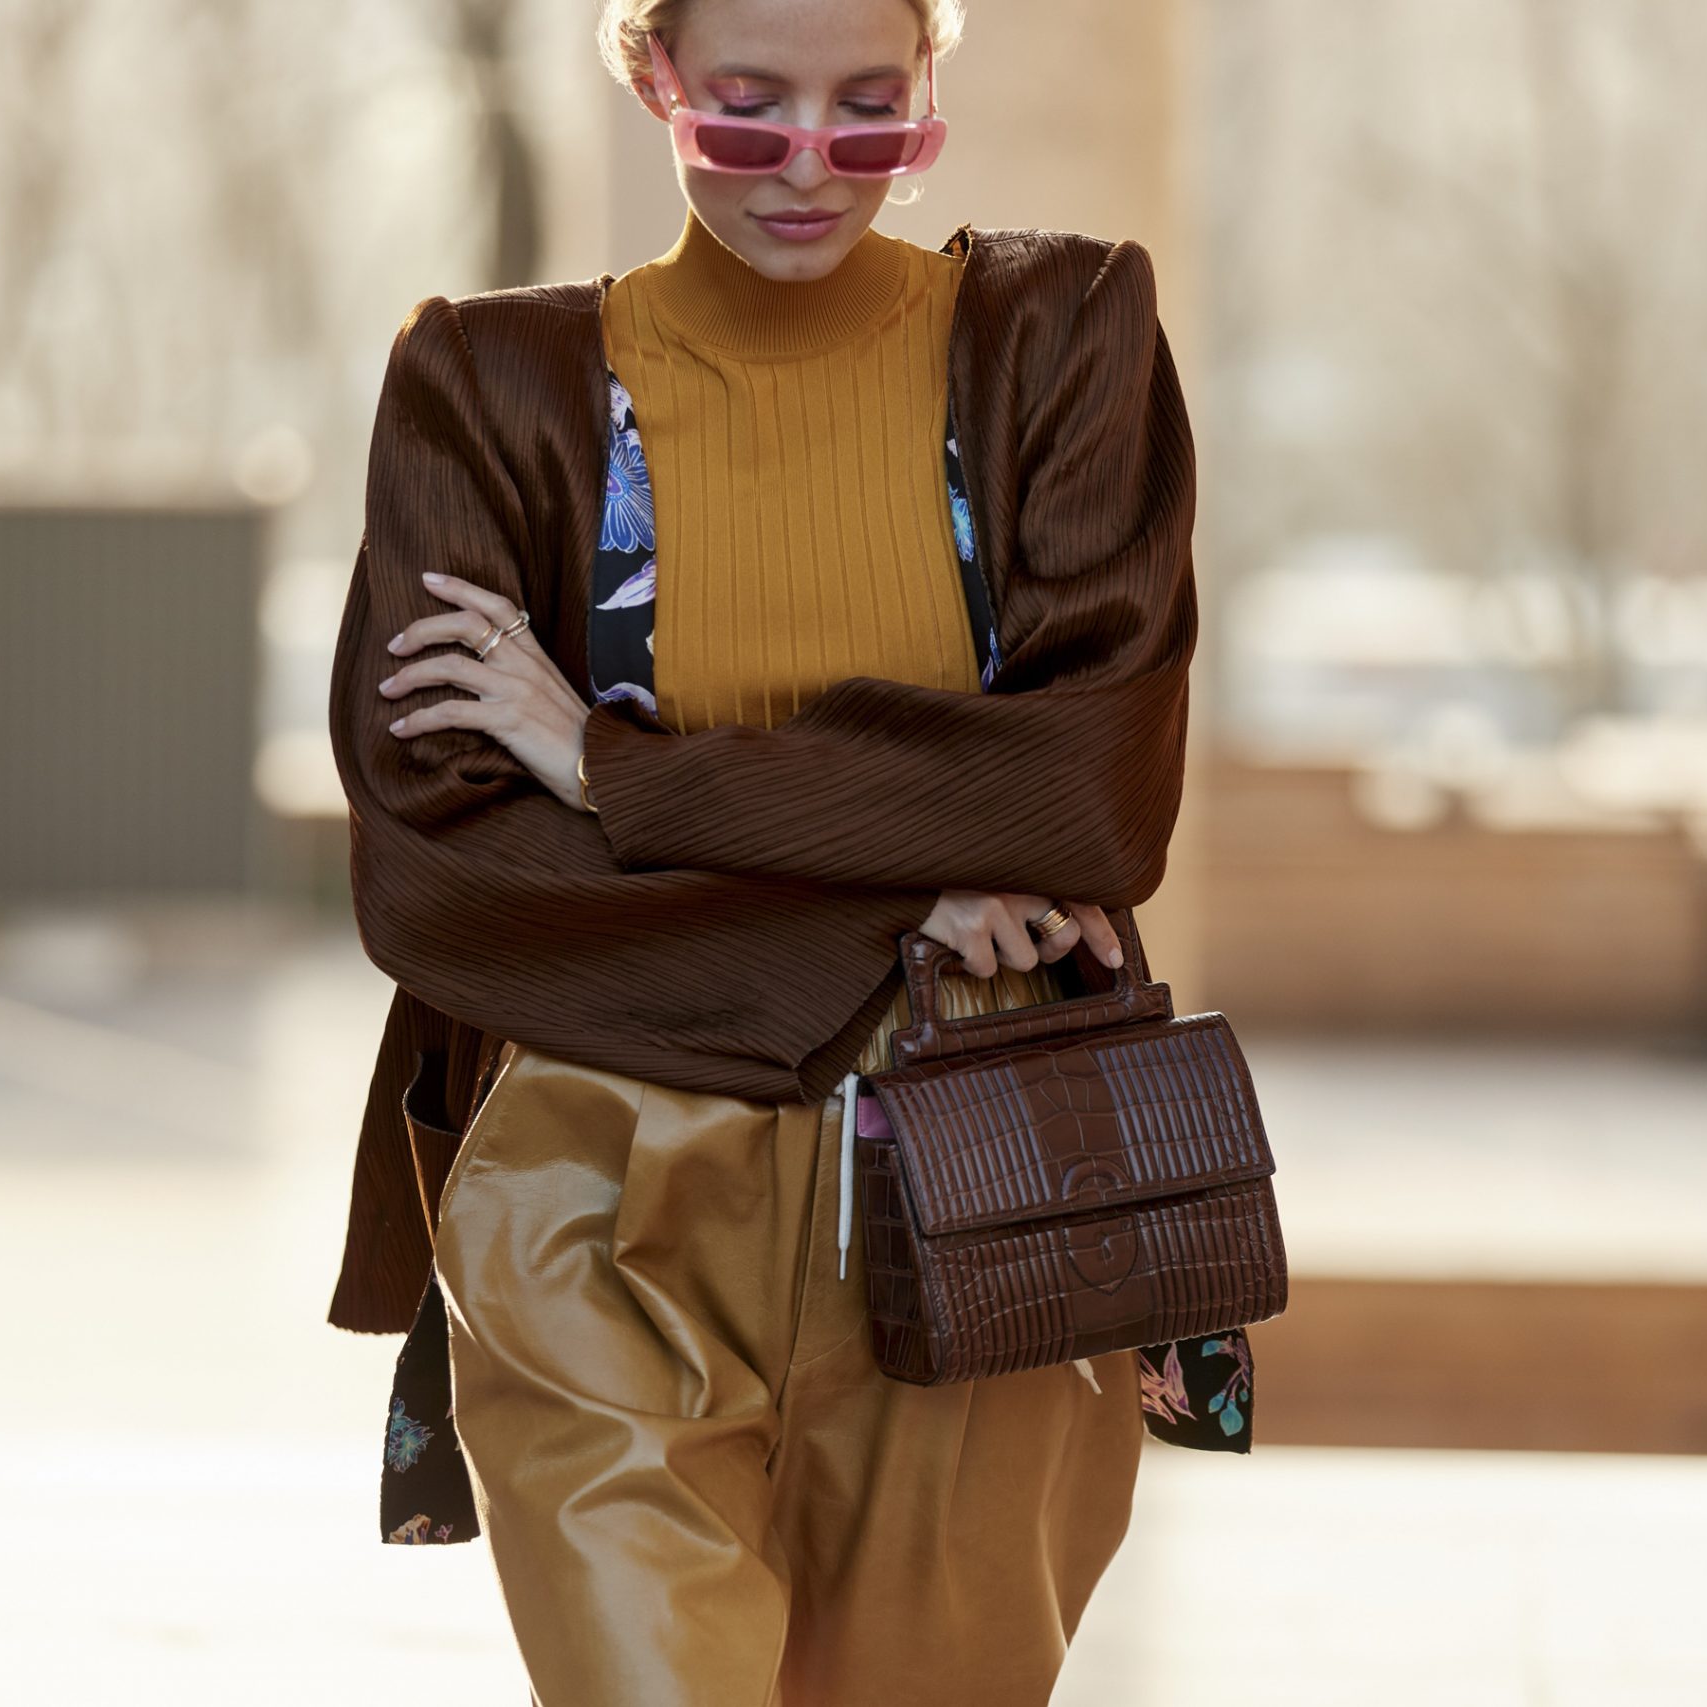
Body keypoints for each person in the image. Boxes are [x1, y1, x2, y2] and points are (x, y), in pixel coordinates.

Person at [327, 0, 1247, 1698]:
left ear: (927, 89)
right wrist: (908, 889)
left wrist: (615, 772)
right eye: (747, 112)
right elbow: (441, 863)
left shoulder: (1062, 334)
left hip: (982, 1168)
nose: (813, 166)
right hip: (592, 1162)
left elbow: (1093, 798)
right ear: (652, 73)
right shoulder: (484, 383)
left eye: (872, 114)